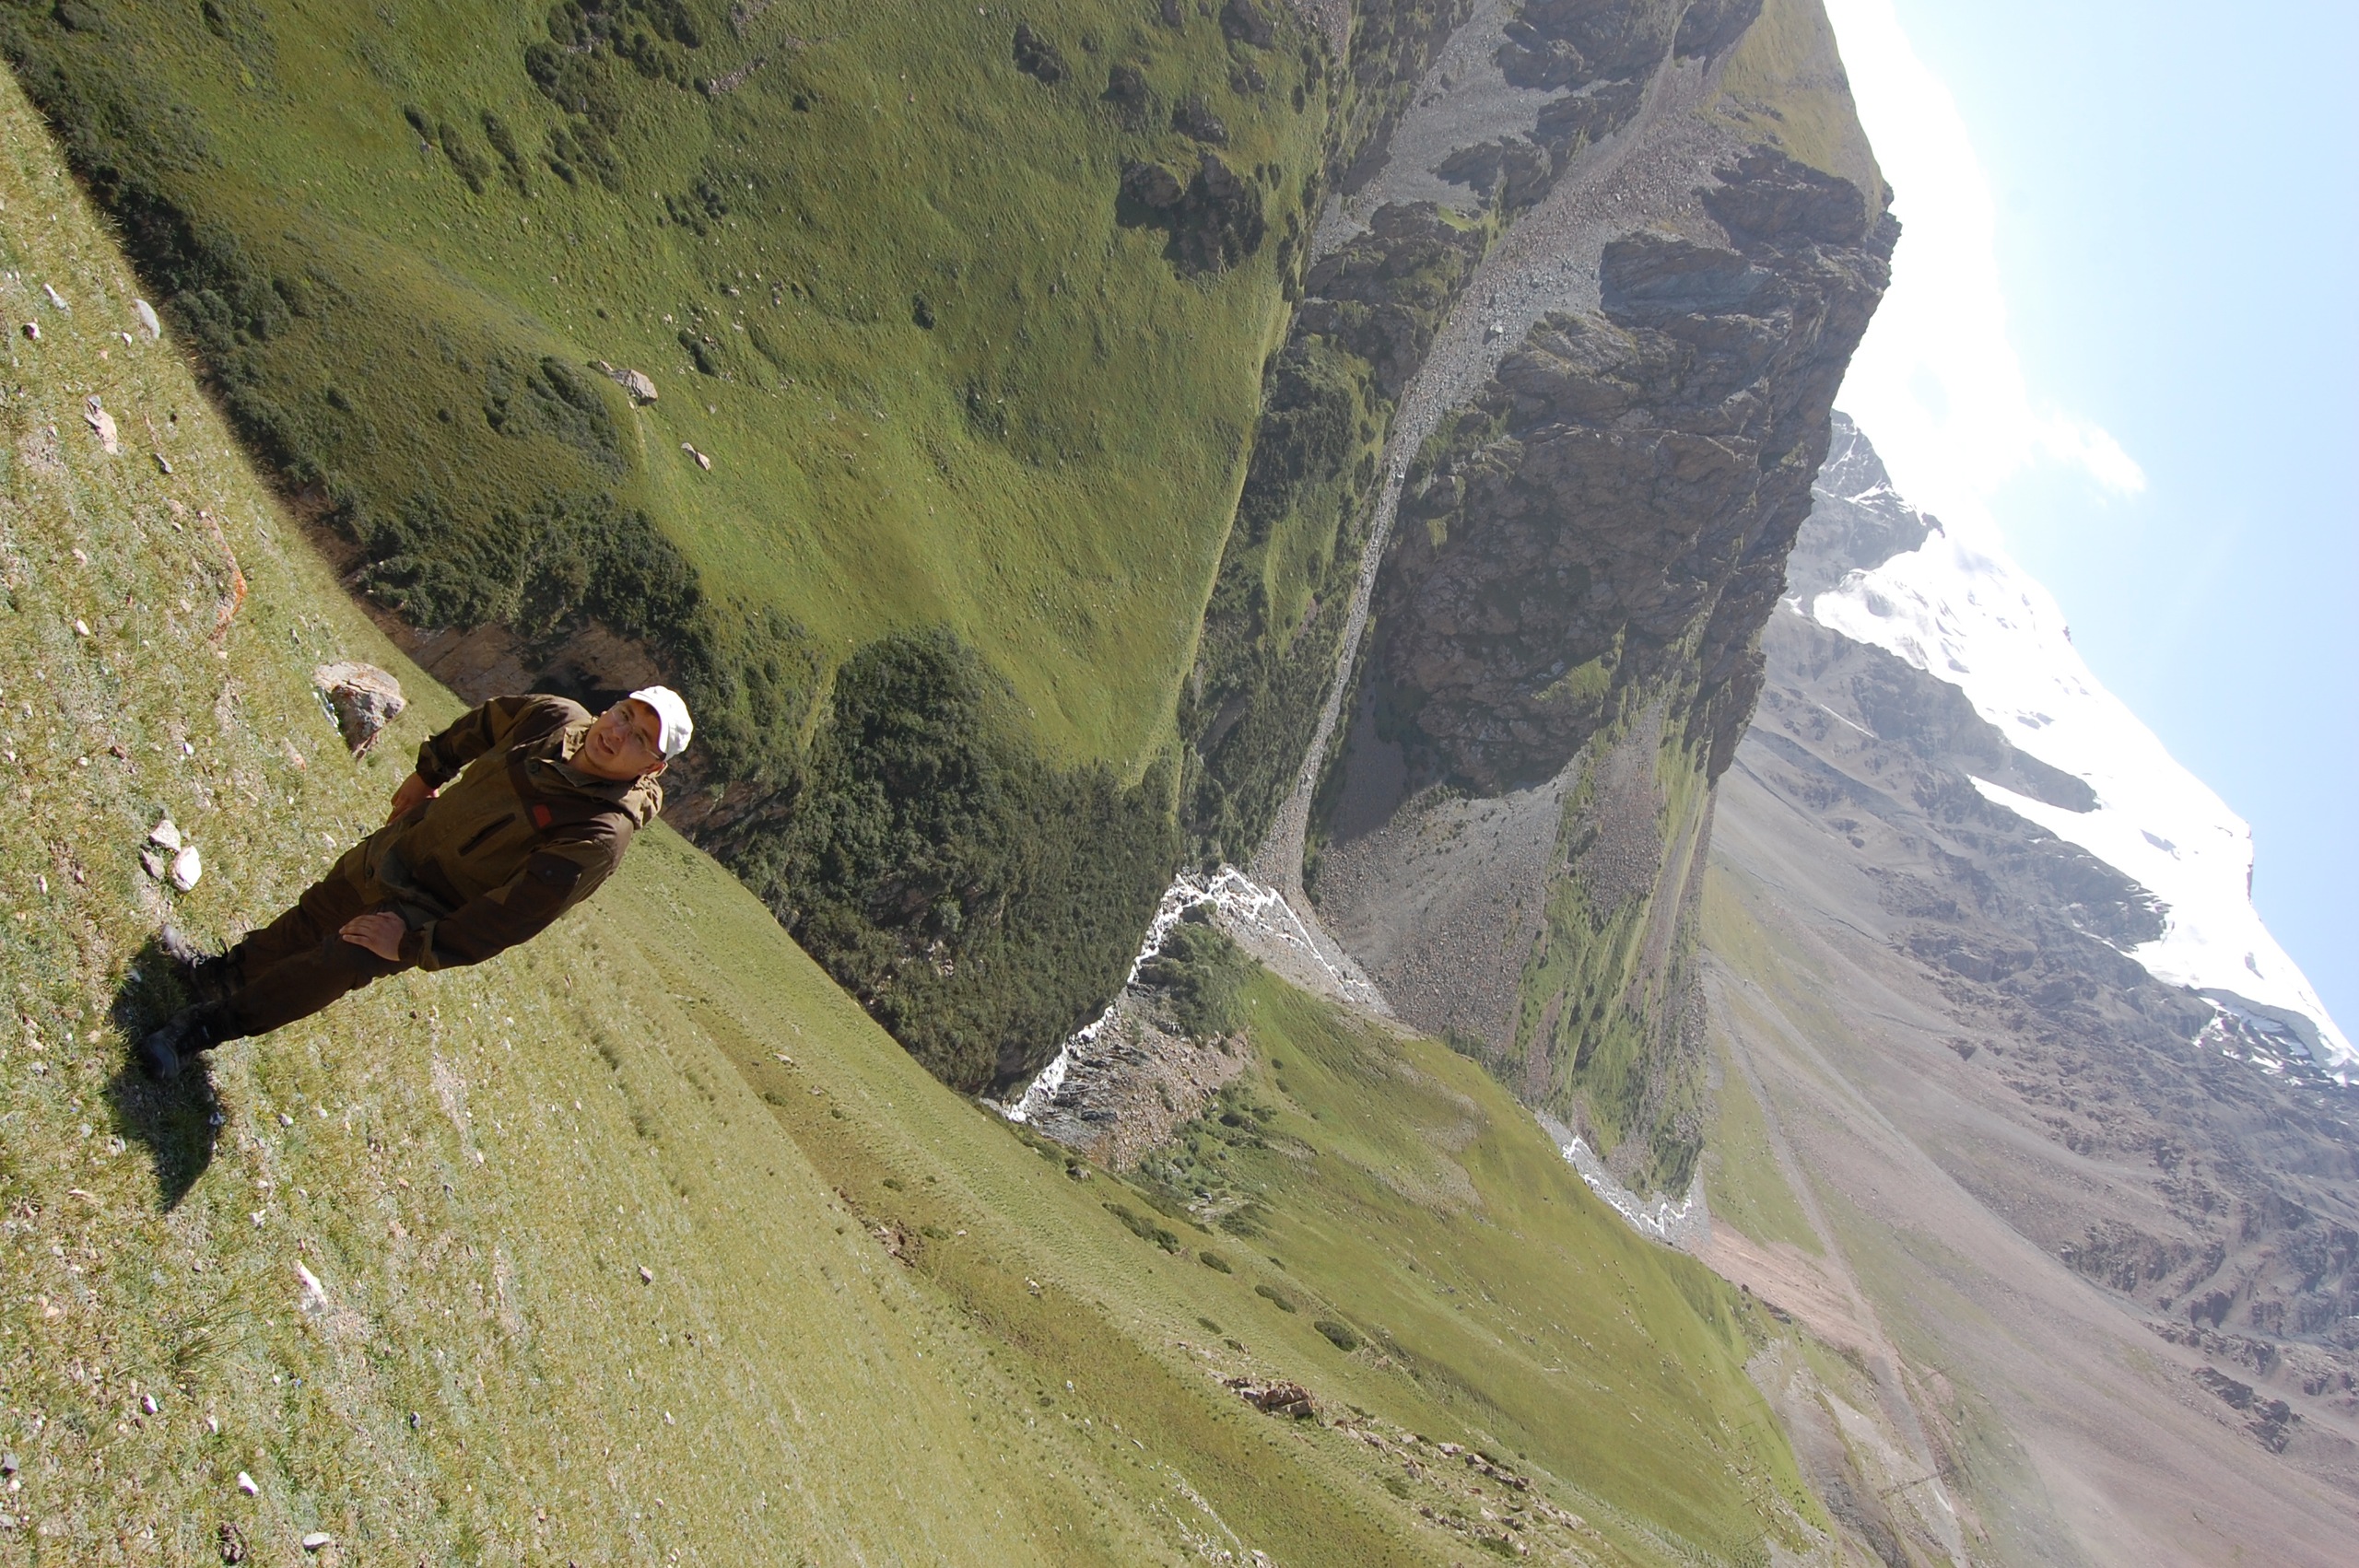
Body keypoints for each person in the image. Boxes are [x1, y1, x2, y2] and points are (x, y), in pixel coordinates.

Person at [137, 686, 691, 1082]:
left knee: (337, 960)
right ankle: (218, 977)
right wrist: (429, 773)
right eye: (623, 714)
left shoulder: (599, 833)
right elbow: (483, 724)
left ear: (653, 767)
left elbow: (510, 918)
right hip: (407, 844)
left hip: (430, 906)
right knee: (315, 914)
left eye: (640, 739)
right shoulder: (553, 717)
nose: (618, 734)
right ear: (610, 706)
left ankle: (202, 1031)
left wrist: (408, 945)